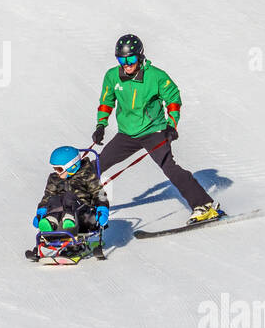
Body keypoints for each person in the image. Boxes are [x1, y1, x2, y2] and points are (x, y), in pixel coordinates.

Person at [90, 34, 220, 224]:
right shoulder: (112, 76)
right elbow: (106, 101)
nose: (126, 64)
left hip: (153, 130)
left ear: (140, 56)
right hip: (127, 133)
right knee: (96, 166)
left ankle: (205, 206)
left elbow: (173, 99)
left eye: (131, 59)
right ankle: (82, 208)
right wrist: (101, 125)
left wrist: (171, 125)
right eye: (121, 59)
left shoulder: (156, 76)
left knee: (170, 168)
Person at [33, 146, 110, 233]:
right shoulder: (54, 178)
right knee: (54, 199)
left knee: (69, 197)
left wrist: (102, 209)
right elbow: (48, 195)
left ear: (72, 167)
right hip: (61, 214)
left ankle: (69, 218)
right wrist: (41, 212)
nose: (56, 172)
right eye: (54, 168)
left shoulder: (87, 175)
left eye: (59, 169)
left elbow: (99, 193)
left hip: (84, 215)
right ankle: (51, 221)